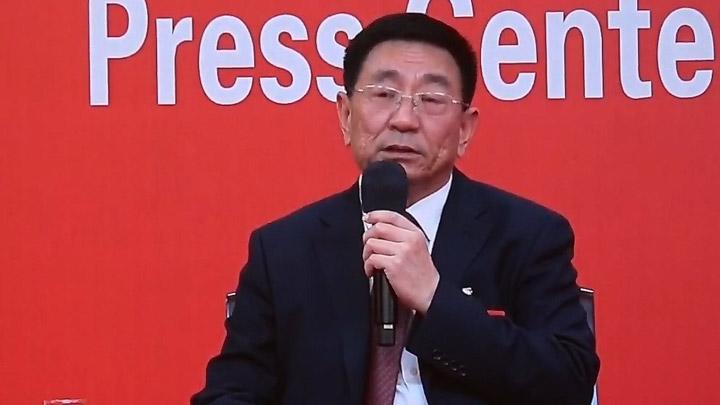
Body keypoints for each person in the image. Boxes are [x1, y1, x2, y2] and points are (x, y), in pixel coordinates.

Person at [192, 12, 599, 405]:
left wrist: (435, 298)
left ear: (465, 129)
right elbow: (230, 393)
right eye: (384, 95)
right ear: (345, 115)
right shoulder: (283, 250)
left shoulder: (527, 235)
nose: (404, 119)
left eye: (432, 99)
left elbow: (569, 384)